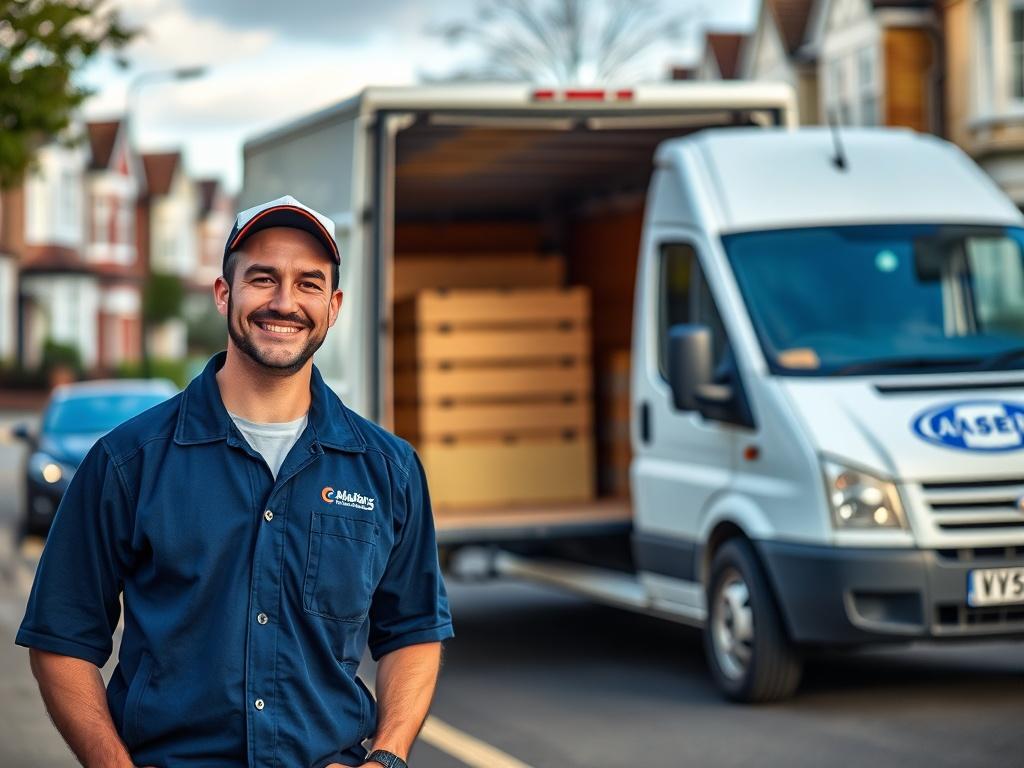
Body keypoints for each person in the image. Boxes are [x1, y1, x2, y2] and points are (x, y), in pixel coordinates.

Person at [16, 195, 454, 768]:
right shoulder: (126, 462)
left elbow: (414, 632)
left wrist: (387, 757)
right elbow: (61, 641)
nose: (284, 302)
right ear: (225, 293)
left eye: (308, 284)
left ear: (334, 305)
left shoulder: (388, 469)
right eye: (263, 278)